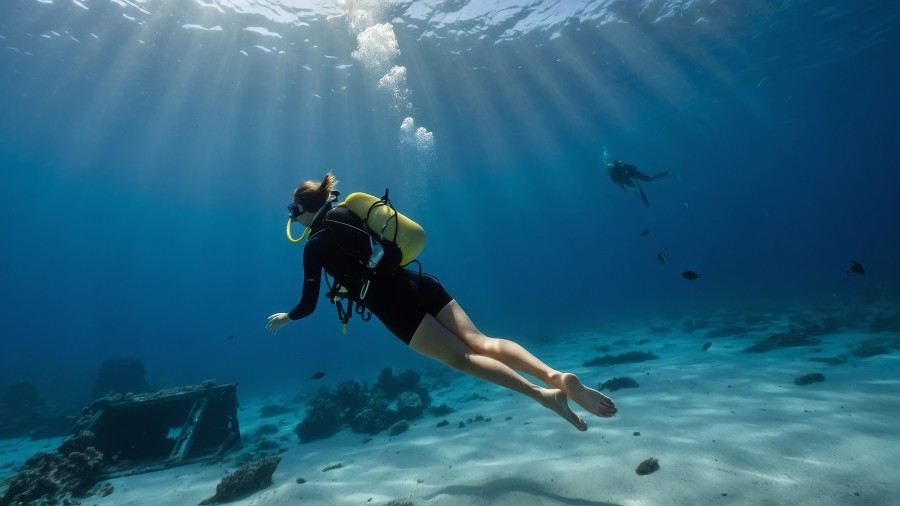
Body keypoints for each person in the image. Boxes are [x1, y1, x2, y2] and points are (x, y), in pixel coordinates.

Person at [266, 172, 617, 431]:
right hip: (419, 282)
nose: (292, 217)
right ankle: (553, 375)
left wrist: (287, 317)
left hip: (394, 307)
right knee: (482, 340)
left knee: (463, 358)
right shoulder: (351, 213)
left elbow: (309, 304)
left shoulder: (314, 246)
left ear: (303, 208)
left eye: (292, 210)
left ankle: (544, 396)